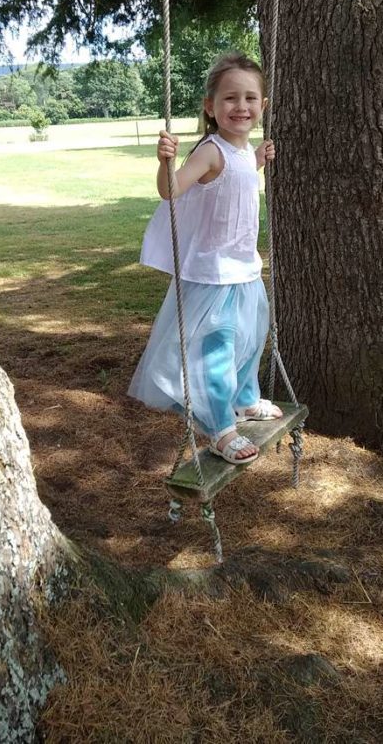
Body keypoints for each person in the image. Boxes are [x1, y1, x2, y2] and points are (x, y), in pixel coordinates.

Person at [128, 52, 283, 465]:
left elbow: (237, 178)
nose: (241, 106)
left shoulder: (241, 152)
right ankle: (219, 427)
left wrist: (257, 161)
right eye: (230, 98)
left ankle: (246, 399)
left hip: (245, 269)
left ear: (262, 106)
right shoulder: (211, 151)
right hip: (214, 275)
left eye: (251, 98)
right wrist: (166, 164)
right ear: (210, 106)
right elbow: (172, 190)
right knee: (217, 351)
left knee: (251, 341)